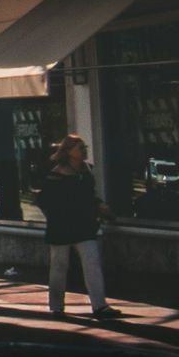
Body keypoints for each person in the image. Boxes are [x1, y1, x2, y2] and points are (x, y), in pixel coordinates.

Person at [36, 134, 117, 321]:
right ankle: (56, 306)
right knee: (59, 265)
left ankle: (100, 305)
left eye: (84, 147)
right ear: (69, 151)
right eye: (80, 147)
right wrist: (55, 216)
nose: (84, 150)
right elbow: (44, 200)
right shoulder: (56, 175)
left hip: (83, 225)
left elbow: (89, 195)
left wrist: (98, 206)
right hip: (61, 226)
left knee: (92, 262)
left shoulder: (87, 171)